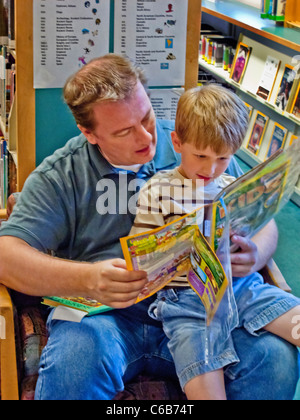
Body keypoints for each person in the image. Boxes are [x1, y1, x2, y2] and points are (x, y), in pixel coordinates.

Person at [0, 54, 298, 400]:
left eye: (147, 117)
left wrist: (256, 251)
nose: (146, 138)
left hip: (200, 304)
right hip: (108, 317)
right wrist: (89, 279)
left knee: (276, 358)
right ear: (89, 133)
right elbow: (7, 256)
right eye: (125, 131)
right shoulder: (63, 175)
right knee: (75, 363)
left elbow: (259, 214)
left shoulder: (192, 144)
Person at [129, 84, 300, 400]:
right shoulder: (157, 190)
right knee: (208, 390)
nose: (210, 169)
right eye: (201, 156)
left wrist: (248, 249)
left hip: (240, 288)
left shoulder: (234, 185)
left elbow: (254, 230)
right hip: (186, 303)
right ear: (177, 143)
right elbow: (143, 254)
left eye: (223, 158)